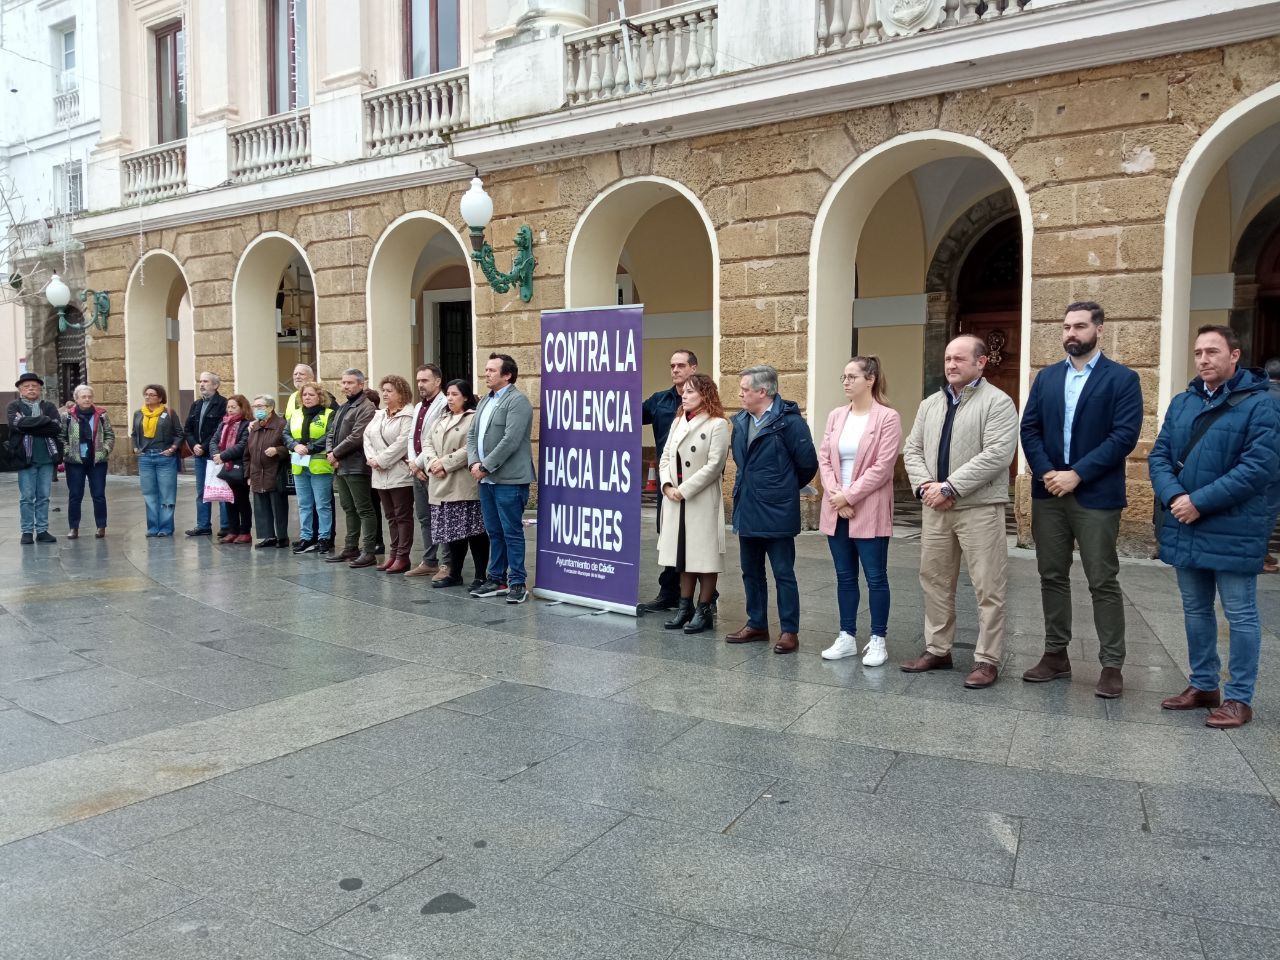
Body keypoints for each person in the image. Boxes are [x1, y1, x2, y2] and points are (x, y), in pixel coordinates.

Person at [1150, 324, 1280, 729]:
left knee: (1240, 614)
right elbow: (1159, 457)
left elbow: (1258, 468)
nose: (1204, 359)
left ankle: (1239, 698)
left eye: (1212, 352)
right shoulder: (1183, 402)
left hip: (1234, 527)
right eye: (1198, 353)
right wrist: (1175, 499)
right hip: (1185, 522)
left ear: (1234, 355)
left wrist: (1198, 502)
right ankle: (1204, 684)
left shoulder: (1263, 405)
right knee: (1195, 609)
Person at [1019, 302, 1143, 698]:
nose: (1071, 333)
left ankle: (1111, 665)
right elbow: (1030, 428)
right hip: (1049, 491)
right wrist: (1047, 472)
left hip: (1096, 494)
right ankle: (1056, 654)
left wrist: (1078, 474)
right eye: (1067, 327)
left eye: (1080, 326)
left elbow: (1123, 436)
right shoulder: (1047, 378)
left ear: (1099, 330)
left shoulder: (1122, 379)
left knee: (1102, 579)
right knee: (1051, 575)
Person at [901, 335, 1018, 689]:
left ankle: (987, 659)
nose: (951, 365)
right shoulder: (929, 404)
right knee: (934, 580)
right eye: (948, 358)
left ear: (981, 363)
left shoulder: (998, 402)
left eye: (960, 359)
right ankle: (938, 649)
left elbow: (998, 453)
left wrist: (951, 486)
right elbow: (912, 449)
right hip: (936, 508)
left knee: (988, 586)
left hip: (978, 508)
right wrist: (926, 487)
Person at [725, 364, 819, 654]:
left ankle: (789, 631)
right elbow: (742, 461)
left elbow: (807, 465)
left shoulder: (790, 423)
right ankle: (757, 624)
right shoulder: (741, 420)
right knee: (750, 571)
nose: (740, 394)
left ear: (762, 391)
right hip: (748, 507)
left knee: (782, 573)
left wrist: (780, 487)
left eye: (745, 389)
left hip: (777, 509)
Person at [816, 356, 902, 665]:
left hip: (869, 506)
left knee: (876, 576)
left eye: (852, 376)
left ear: (871, 379)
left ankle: (878, 638)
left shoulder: (887, 418)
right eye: (843, 377)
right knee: (844, 576)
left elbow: (883, 466)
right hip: (837, 507)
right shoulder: (837, 415)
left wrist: (849, 497)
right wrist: (836, 496)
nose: (846, 382)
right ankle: (847, 636)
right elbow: (824, 458)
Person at [657, 373, 730, 635]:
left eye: (690, 392)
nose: (684, 396)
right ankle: (684, 606)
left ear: (705, 395)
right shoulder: (678, 421)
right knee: (683, 556)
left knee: (705, 557)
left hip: (699, 498)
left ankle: (704, 609)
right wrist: (667, 486)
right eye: (683, 392)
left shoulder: (717, 424)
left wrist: (684, 490)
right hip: (675, 498)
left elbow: (715, 465)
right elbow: (665, 456)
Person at [467, 352, 536, 605]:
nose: (486, 374)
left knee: (512, 532)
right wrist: (474, 462)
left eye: (492, 370)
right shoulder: (486, 400)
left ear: (507, 375)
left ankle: (517, 581)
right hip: (485, 479)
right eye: (486, 370)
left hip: (509, 480)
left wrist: (486, 465)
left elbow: (511, 440)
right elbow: (472, 434)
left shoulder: (518, 402)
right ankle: (497, 579)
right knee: (494, 531)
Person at [640, 349, 700, 611]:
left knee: (696, 539)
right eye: (672, 365)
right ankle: (669, 592)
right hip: (668, 482)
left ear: (693, 368)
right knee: (668, 537)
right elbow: (627, 415)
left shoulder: (704, 399)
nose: (675, 369)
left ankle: (707, 595)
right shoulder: (659, 401)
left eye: (681, 365)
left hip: (695, 481)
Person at [421, 379, 489, 591]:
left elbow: (471, 447)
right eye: (448, 394)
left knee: (474, 533)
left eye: (455, 394)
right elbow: (427, 442)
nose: (450, 398)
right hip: (440, 483)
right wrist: (432, 463)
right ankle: (455, 573)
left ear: (466, 397)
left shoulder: (473, 418)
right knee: (452, 534)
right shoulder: (441, 418)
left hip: (462, 484)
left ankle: (480, 576)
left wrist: (445, 464)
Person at [325, 369, 378, 568]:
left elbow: (357, 436)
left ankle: (369, 550)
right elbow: (332, 432)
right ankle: (350, 547)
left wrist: (336, 454)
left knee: (364, 508)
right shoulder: (344, 407)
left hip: (356, 465)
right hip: (340, 465)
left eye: (350, 383)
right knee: (348, 508)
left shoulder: (366, 407)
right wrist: (331, 452)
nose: (345, 386)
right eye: (343, 382)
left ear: (361, 385)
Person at [365, 374, 416, 574]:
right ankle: (393, 554)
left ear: (401, 393)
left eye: (389, 391)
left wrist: (381, 460)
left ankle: (403, 556)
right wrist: (371, 458)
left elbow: (402, 444)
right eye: (383, 390)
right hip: (379, 473)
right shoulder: (380, 414)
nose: (385, 394)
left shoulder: (408, 416)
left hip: (399, 473)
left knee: (402, 516)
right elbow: (367, 436)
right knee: (390, 516)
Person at [406, 363, 451, 580]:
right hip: (418, 469)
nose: (420, 384)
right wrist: (413, 464)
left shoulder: (444, 404)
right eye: (418, 380)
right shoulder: (418, 407)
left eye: (424, 380)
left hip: (433, 467)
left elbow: (433, 439)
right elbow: (411, 437)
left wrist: (419, 463)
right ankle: (429, 560)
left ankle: (446, 563)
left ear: (437, 381)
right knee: (424, 517)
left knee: (441, 517)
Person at [8, 372, 63, 544]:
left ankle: (42, 530)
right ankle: (26, 531)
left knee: (44, 496)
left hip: (47, 458)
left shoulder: (49, 406)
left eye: (34, 386)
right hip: (25, 459)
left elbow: (56, 428)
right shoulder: (13, 406)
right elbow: (16, 424)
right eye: (26, 386)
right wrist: (43, 421)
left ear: (40, 388)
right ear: (20, 389)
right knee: (26, 497)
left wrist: (30, 424)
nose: (31, 388)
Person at [62, 384, 115, 540]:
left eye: (89, 396)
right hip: (75, 461)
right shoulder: (67, 416)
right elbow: (61, 437)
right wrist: (67, 452)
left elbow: (110, 436)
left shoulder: (102, 415)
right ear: (76, 399)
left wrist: (104, 450)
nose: (87, 399)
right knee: (75, 495)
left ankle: (101, 526)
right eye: (83, 397)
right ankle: (73, 528)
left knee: (98, 494)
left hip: (96, 460)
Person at [287, 382, 334, 555]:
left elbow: (330, 435)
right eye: (305, 394)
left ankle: (324, 538)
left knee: (322, 505)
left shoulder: (329, 414)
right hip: (299, 464)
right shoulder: (295, 414)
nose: (307, 397)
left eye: (311, 394)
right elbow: (285, 434)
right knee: (304, 504)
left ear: (320, 396)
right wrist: (294, 445)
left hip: (319, 464)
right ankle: (306, 537)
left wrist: (310, 447)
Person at [131, 383, 183, 538]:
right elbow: (134, 434)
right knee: (149, 494)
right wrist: (135, 447)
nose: (148, 397)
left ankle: (166, 527)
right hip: (145, 457)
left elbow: (179, 434)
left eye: (152, 394)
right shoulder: (138, 413)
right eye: (146, 394)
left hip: (164, 457)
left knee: (167, 494)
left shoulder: (169, 413)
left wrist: (172, 449)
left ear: (160, 397)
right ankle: (153, 527)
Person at [184, 371, 229, 537]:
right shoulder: (196, 404)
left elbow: (219, 429)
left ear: (215, 385)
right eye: (200, 381)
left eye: (205, 381)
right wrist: (194, 445)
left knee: (220, 489)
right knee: (202, 491)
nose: (201, 384)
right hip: (200, 455)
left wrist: (203, 446)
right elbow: (187, 428)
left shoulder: (223, 403)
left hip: (216, 454)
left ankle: (225, 526)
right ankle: (203, 525)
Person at [247, 395, 290, 548]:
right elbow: (248, 454)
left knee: (278, 506)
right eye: (255, 406)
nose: (257, 409)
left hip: (275, 472)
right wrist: (248, 475)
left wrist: (278, 450)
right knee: (261, 507)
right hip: (257, 473)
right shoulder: (254, 427)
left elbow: (290, 446)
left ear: (270, 408)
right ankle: (268, 536)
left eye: (260, 406)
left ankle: (281, 537)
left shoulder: (281, 424)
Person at [210, 394, 252, 544]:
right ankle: (232, 531)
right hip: (224, 467)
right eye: (228, 407)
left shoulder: (247, 424)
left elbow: (242, 445)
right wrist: (216, 454)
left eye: (234, 407)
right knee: (229, 500)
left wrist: (223, 456)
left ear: (242, 407)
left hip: (239, 466)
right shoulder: (224, 423)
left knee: (242, 501)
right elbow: (214, 440)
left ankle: (245, 531)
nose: (230, 410)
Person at [1263, 357, 1280, 574]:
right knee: (1269, 509)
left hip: (1258, 462)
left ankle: (1262, 551)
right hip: (1275, 464)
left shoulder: (1255, 396)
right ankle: (1260, 554)